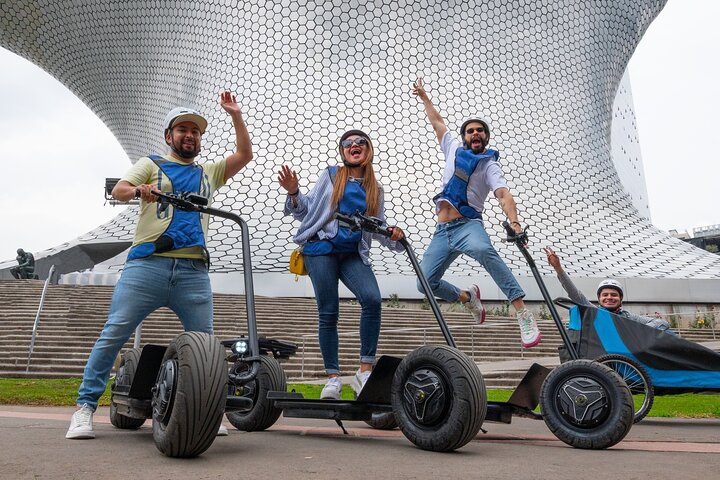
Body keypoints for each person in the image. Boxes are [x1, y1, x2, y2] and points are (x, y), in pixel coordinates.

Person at [66, 91, 253, 439]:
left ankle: (210, 411)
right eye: (182, 130)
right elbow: (120, 189)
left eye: (195, 132)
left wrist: (236, 116)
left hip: (192, 272)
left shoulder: (208, 173)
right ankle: (85, 408)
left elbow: (244, 155)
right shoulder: (150, 164)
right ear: (169, 136)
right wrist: (141, 191)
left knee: (207, 347)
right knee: (114, 334)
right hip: (146, 267)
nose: (190, 136)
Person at [411, 78, 541, 348]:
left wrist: (515, 223)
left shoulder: (488, 165)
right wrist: (424, 98)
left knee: (484, 251)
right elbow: (437, 122)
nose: (475, 134)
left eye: (480, 131)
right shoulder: (452, 149)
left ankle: (522, 312)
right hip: (441, 231)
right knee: (424, 284)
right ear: (464, 137)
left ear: (486, 137)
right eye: (470, 131)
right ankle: (467, 298)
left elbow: (503, 194)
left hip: (468, 226)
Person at [279, 129, 405, 399]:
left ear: (368, 149)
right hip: (320, 249)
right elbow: (305, 210)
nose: (354, 145)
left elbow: (378, 225)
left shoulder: (375, 189)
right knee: (329, 311)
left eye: (360, 142)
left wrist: (395, 235)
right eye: (348, 144)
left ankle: (364, 371)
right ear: (343, 152)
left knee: (371, 299)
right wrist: (293, 193)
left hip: (351, 253)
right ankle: (333, 378)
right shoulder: (331, 176)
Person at [544, 246, 674, 333]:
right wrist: (558, 268)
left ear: (621, 299)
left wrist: (634, 330)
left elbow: (662, 323)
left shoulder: (628, 317)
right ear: (599, 299)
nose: (609, 297)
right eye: (605, 295)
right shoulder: (594, 311)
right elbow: (575, 294)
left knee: (668, 332)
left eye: (614, 294)